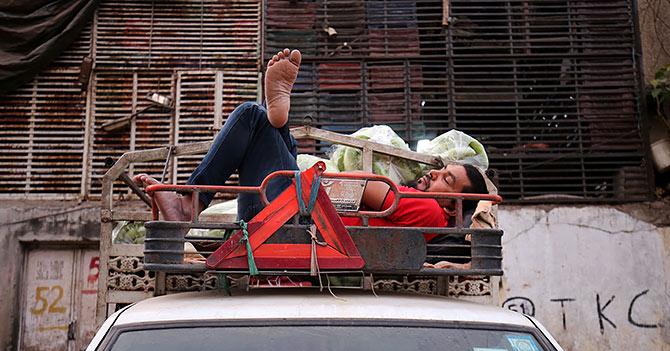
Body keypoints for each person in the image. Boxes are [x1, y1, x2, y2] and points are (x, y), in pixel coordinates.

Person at [134, 49, 489, 237]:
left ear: (456, 205)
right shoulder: (423, 208)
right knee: (265, 126)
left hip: (291, 226)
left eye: (448, 181)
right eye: (443, 172)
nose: (436, 176)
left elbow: (364, 190)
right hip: (290, 218)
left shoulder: (431, 212)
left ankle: (189, 203)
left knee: (250, 117)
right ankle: (279, 124)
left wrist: (326, 176)